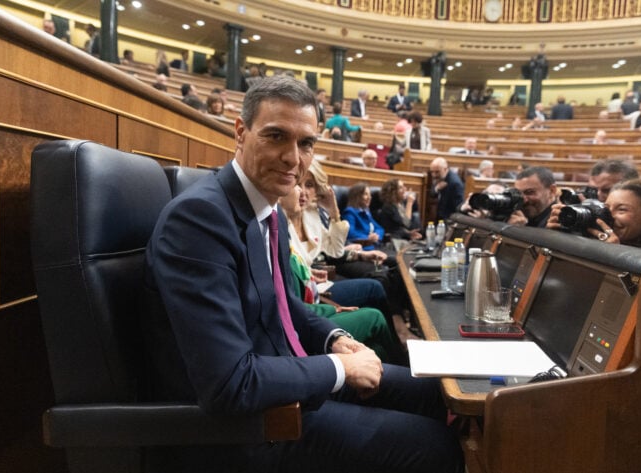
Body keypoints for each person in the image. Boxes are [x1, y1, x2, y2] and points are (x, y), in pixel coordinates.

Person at [143, 75, 462, 473]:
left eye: (306, 143)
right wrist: (339, 369)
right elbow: (228, 384)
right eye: (276, 136)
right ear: (240, 132)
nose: (294, 158)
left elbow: (280, 303)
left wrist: (335, 338)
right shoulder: (199, 219)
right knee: (434, 448)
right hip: (248, 428)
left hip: (288, 383)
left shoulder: (267, 209)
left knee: (435, 393)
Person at [280, 185, 405, 364]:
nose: (303, 191)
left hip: (311, 291)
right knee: (375, 306)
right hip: (307, 308)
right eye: (296, 184)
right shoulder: (277, 229)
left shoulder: (312, 216)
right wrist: (332, 307)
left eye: (309, 185)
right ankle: (400, 362)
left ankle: (395, 362)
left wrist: (334, 213)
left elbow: (331, 252)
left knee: (377, 348)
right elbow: (288, 301)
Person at [342, 183, 385, 250]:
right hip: (362, 248)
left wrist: (376, 236)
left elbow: (380, 228)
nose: (369, 197)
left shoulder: (366, 212)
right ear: (357, 196)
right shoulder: (350, 212)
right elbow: (349, 233)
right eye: (365, 194)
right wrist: (367, 238)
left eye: (370, 194)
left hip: (375, 246)